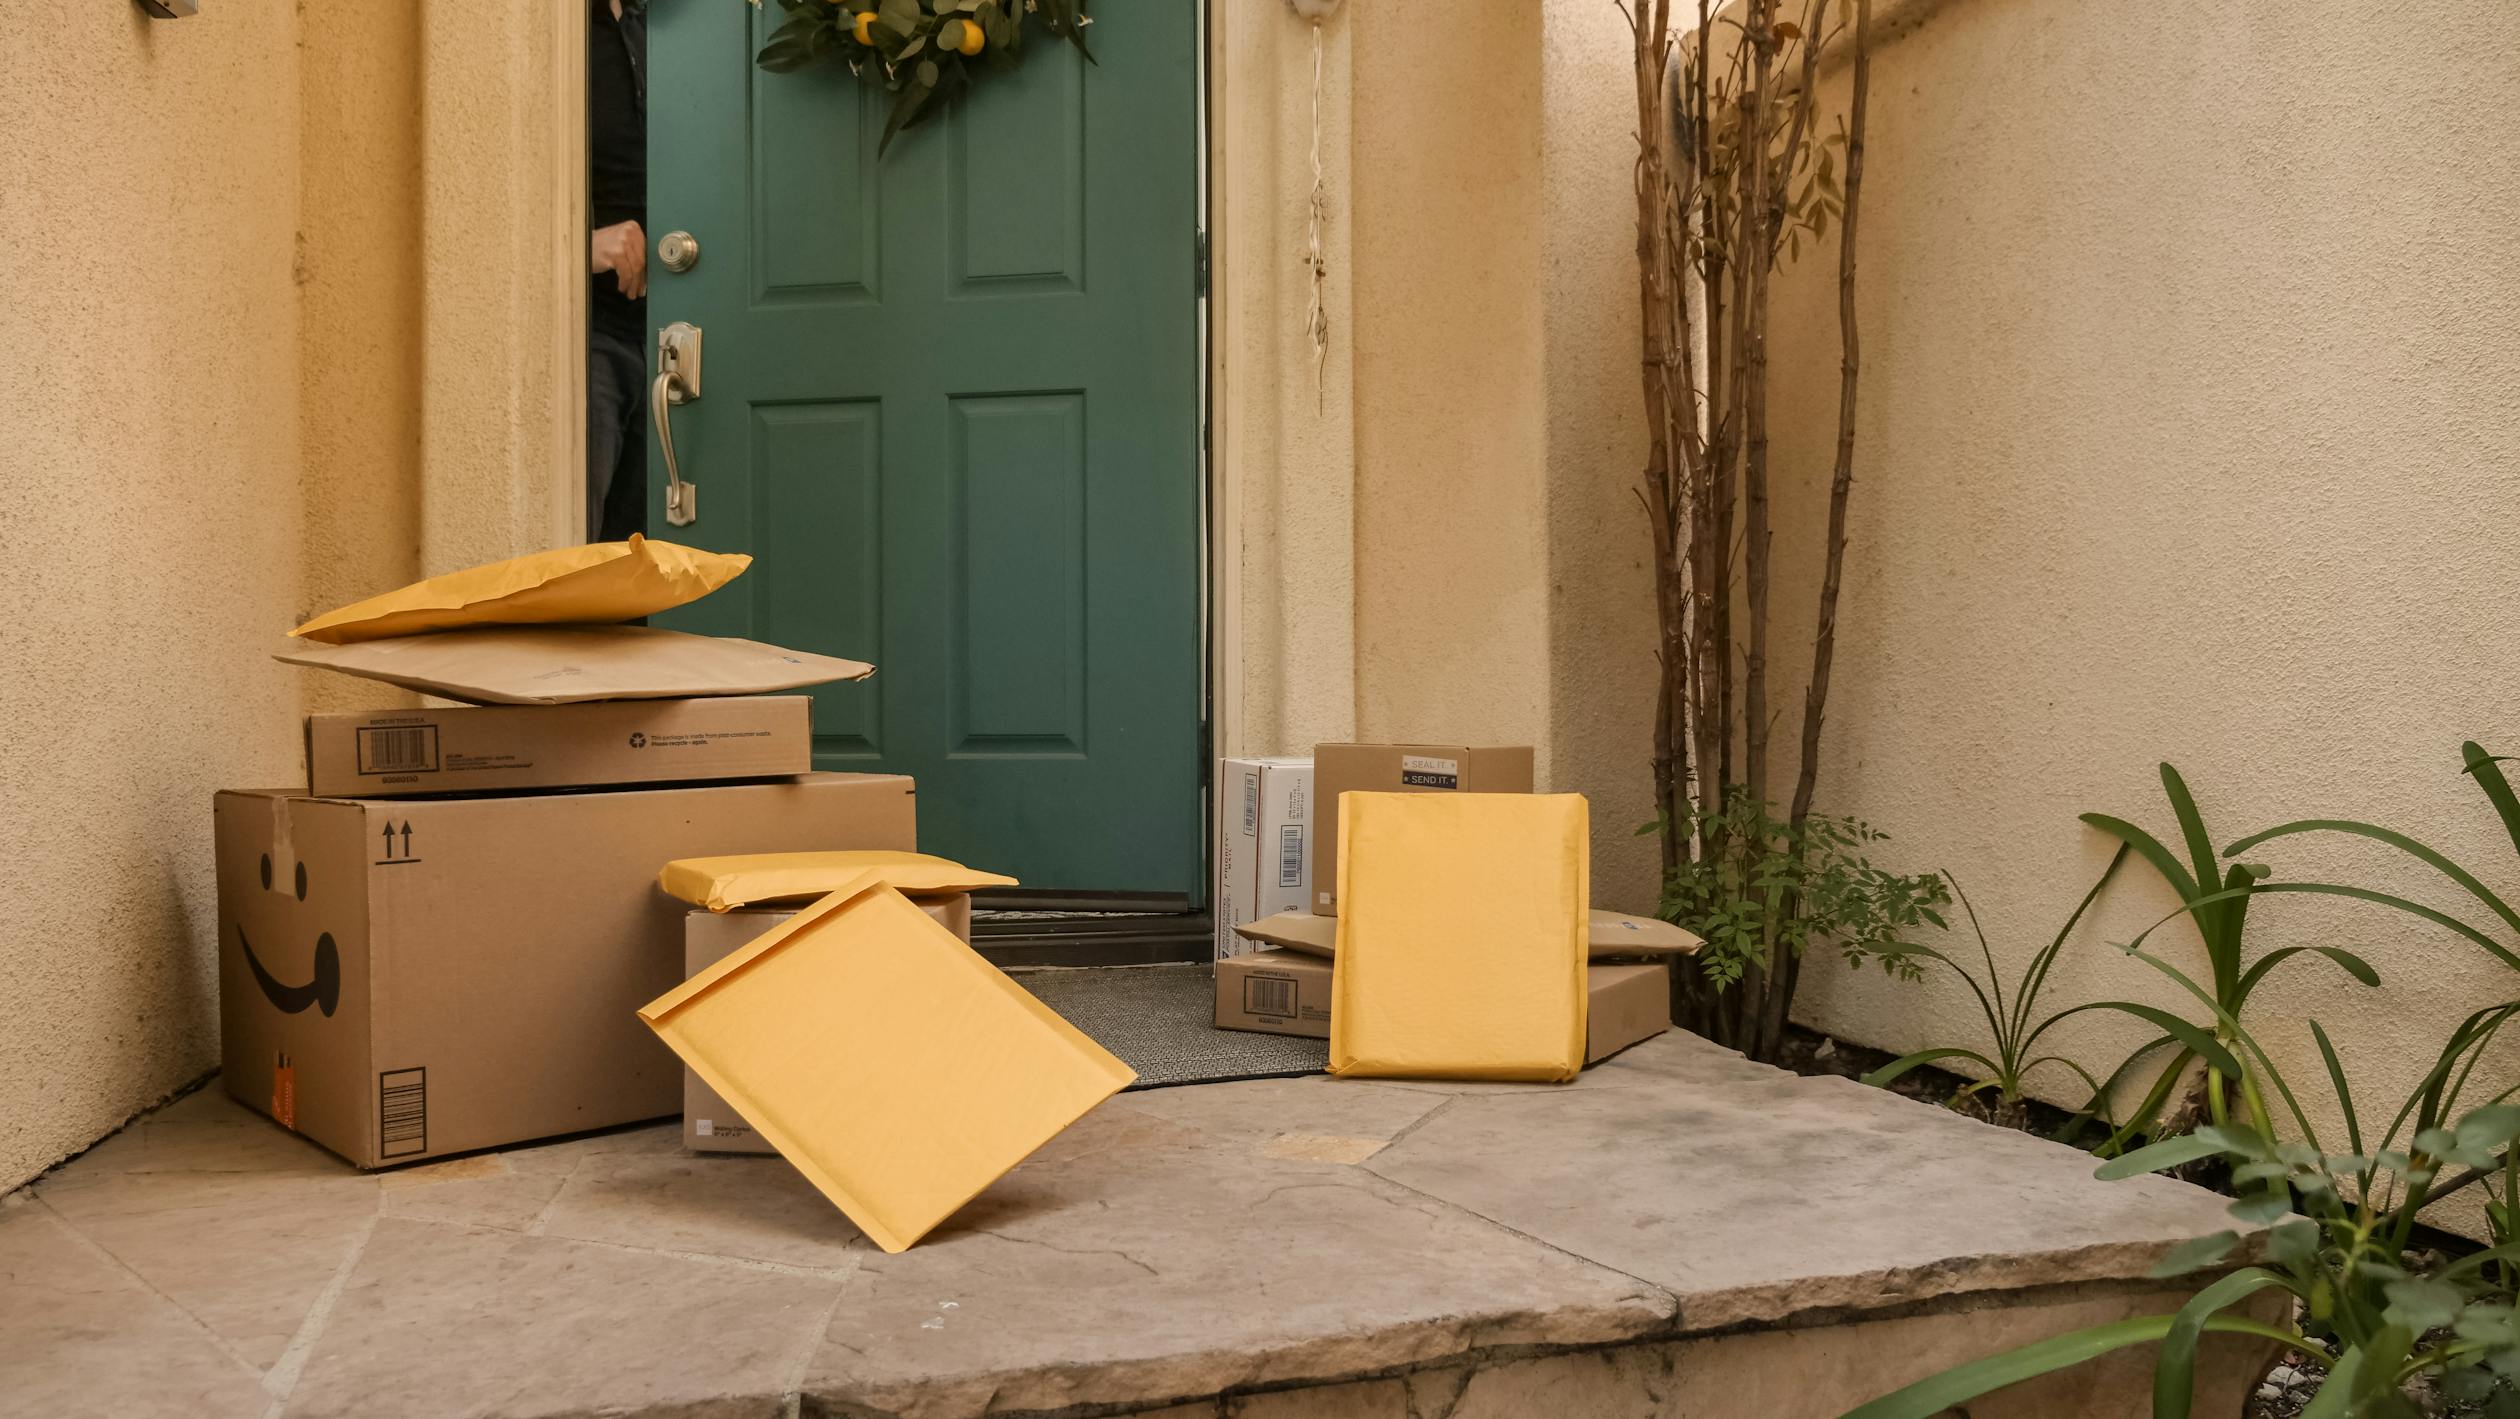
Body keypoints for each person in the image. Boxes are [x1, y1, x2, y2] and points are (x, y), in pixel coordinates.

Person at [587, 0, 648, 543]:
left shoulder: (669, 26)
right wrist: (576, 249)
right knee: (578, 564)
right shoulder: (550, 34)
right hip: (588, 341)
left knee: (651, 586)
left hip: (682, 339)